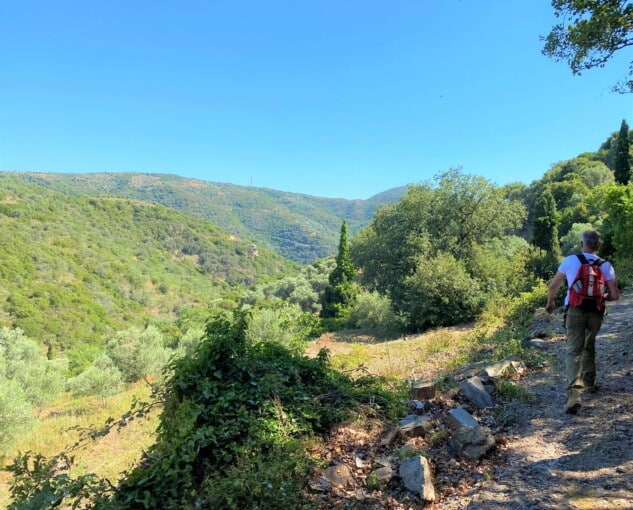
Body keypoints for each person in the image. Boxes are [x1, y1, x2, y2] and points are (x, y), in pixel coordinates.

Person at [545, 230, 620, 414]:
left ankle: (574, 396)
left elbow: (553, 286)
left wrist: (550, 303)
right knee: (589, 345)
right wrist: (601, 297)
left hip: (575, 311)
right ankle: (590, 383)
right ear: (598, 246)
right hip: (596, 312)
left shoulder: (570, 260)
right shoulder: (606, 265)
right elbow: (615, 295)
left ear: (581, 244)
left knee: (573, 350)